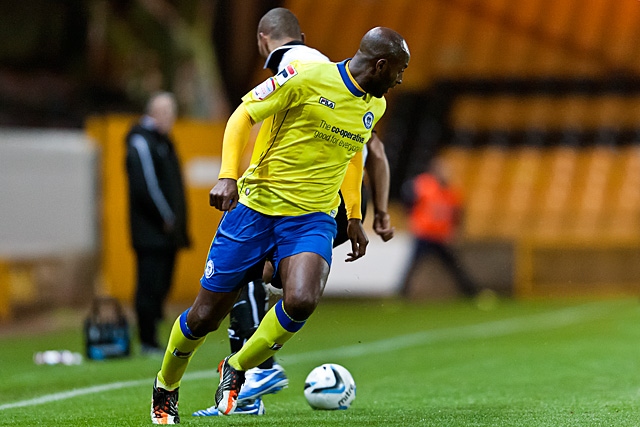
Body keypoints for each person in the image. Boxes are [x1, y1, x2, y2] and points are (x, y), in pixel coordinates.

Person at [150, 26, 410, 423]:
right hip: (257, 209)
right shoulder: (306, 76)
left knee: (302, 297)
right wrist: (226, 175)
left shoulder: (375, 106)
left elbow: (353, 154)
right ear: (381, 64)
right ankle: (166, 386)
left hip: (311, 218)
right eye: (400, 70)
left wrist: (355, 216)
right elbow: (243, 115)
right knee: (205, 316)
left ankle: (237, 366)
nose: (400, 80)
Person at [125, 92, 190, 356]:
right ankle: (146, 339)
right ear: (154, 113)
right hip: (150, 232)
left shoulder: (164, 141)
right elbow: (147, 185)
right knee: (148, 284)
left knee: (162, 284)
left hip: (167, 232)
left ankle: (151, 336)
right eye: (166, 113)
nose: (170, 119)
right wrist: (166, 217)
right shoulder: (142, 141)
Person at [401, 157, 480, 299]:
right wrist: (410, 219)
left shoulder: (451, 192)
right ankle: (400, 294)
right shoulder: (423, 184)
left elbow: (457, 214)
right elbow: (407, 198)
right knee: (413, 265)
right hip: (424, 233)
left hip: (440, 235)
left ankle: (470, 292)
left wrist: (455, 232)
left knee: (453, 265)